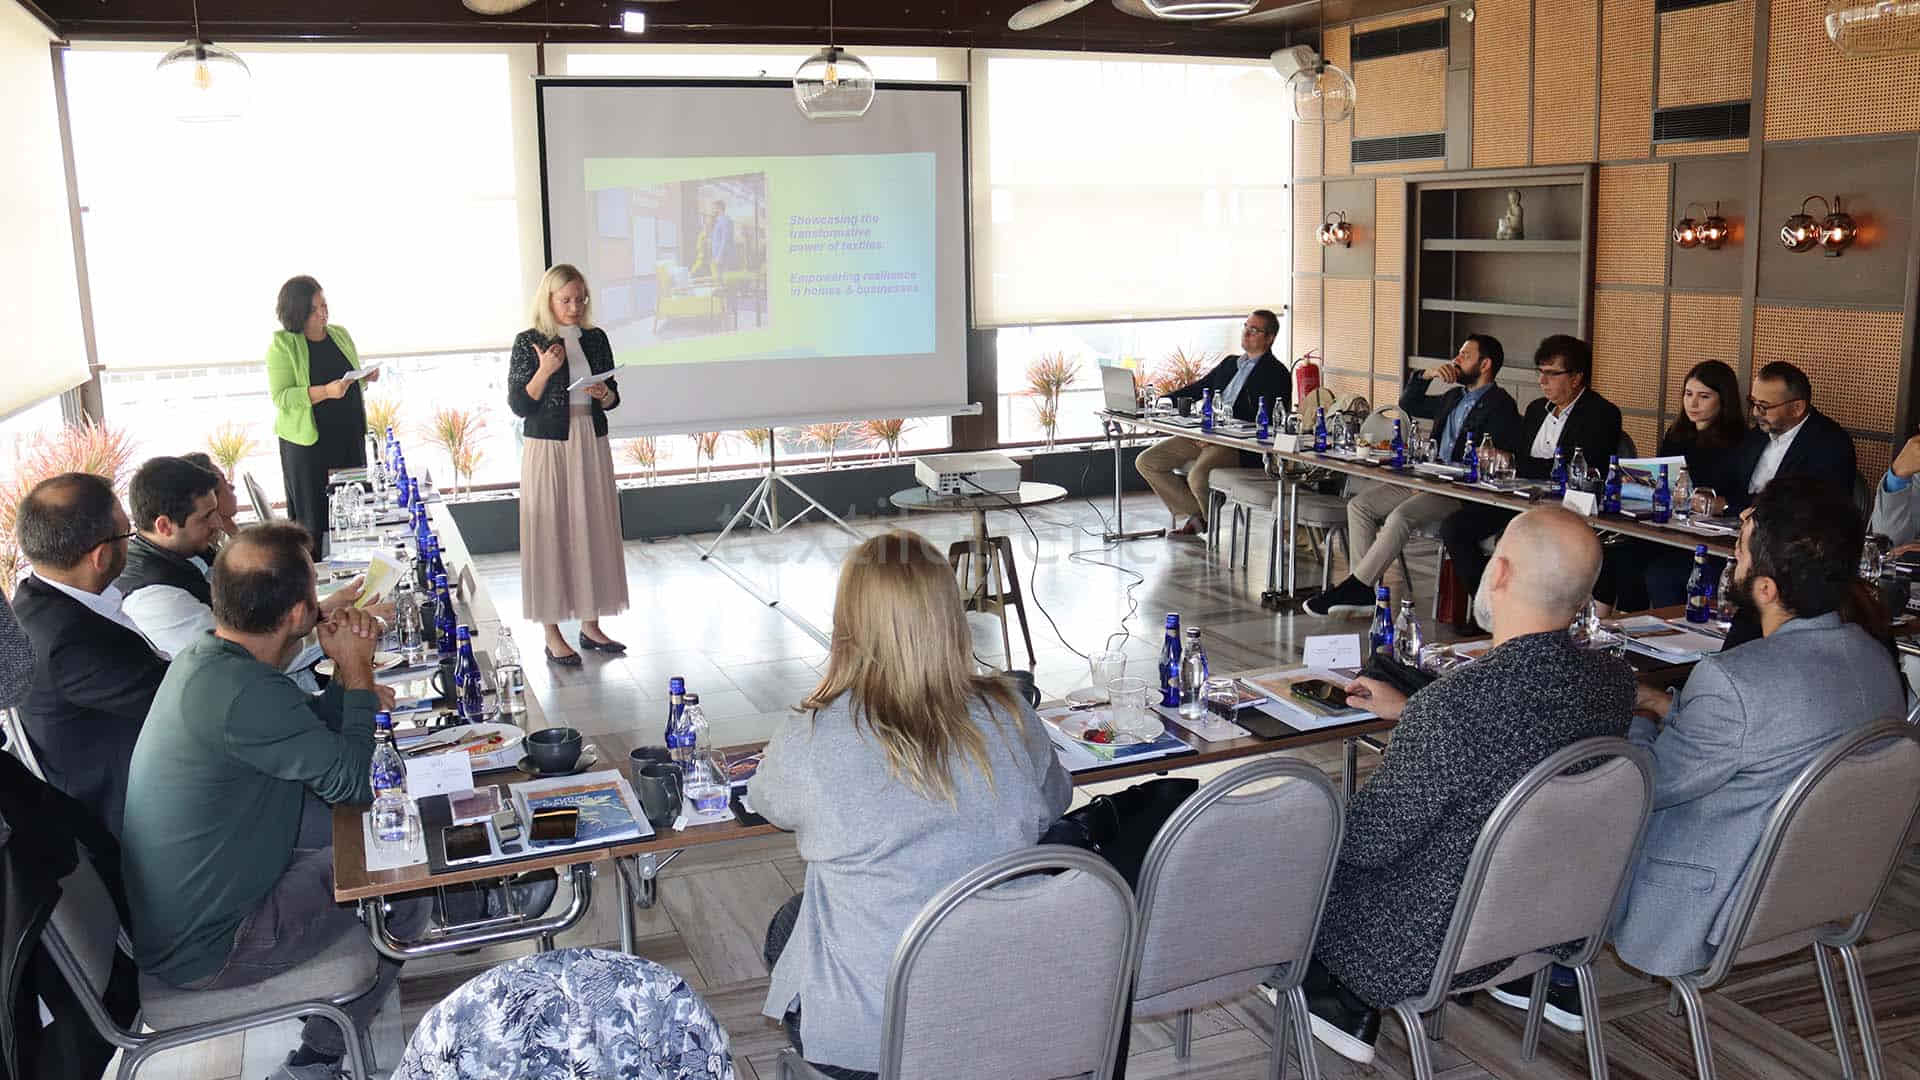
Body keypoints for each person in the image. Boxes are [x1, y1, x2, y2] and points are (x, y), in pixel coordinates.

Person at [1299, 507, 1634, 1064]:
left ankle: (1340, 994)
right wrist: (1416, 713)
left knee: (1301, 842)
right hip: (1543, 921)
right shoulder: (1613, 684)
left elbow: (1366, 842)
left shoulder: (1458, 707)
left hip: (1426, 945)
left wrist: (1310, 818)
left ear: (1497, 572)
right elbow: (1518, 745)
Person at [752, 530, 1072, 1080]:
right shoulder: (1012, 713)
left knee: (790, 920)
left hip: (873, 1041)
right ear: (951, 617)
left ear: (848, 627)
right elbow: (1054, 802)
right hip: (1005, 1009)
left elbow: (767, 801)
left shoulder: (813, 735)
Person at [120, 523, 430, 1080]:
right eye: (313, 590)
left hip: (207, 907)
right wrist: (356, 671)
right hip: (216, 947)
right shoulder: (241, 693)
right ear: (295, 612)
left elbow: (313, 738)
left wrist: (342, 679)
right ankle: (315, 1061)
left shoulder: (212, 660)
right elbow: (356, 783)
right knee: (399, 885)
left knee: (372, 844)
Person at [1612, 476, 1902, 978]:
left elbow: (1650, 784)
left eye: (1741, 554)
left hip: (1715, 908)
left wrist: (1636, 717)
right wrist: (1671, 705)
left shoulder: (1731, 681)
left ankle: (1551, 976)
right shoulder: (1875, 659)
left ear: (1766, 589)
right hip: (1820, 890)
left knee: (1562, 814)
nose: (1734, 562)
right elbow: (1766, 739)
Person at [1307, 334, 1521, 615]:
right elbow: (1408, 404)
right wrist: (1426, 375)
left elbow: (1497, 458)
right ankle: (1364, 591)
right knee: (1360, 506)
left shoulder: (1501, 405)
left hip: (1459, 490)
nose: (1456, 360)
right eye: (1458, 354)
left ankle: (1357, 587)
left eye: (1465, 356)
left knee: (1400, 517)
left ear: (1485, 365)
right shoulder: (1454, 396)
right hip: (1427, 476)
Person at [10, 473, 167, 838]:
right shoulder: (70, 642)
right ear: (101, 556)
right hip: (140, 823)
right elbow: (184, 697)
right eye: (128, 535)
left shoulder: (33, 601)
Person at [1438, 335, 1623, 626]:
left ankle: (1524, 617)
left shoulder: (1601, 414)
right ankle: (1493, 612)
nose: (1542, 381)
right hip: (1520, 499)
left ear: (1576, 378)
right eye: (1540, 372)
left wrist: (1514, 461)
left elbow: (1576, 468)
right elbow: (1520, 455)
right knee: (1454, 527)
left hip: (1565, 509)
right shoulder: (1537, 409)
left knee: (1515, 538)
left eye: (1552, 373)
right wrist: (1500, 458)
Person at [507, 264, 630, 666]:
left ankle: (591, 625)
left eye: (580, 299)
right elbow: (520, 405)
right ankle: (552, 632)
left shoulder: (596, 339)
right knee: (552, 533)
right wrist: (544, 371)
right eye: (566, 300)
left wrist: (603, 394)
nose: (575, 306)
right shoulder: (529, 342)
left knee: (592, 528)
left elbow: (613, 398)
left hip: (590, 442)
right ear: (549, 300)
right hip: (549, 447)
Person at [1597, 360, 1749, 612]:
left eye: (1704, 396)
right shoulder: (1677, 433)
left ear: (1724, 400)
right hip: (1666, 523)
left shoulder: (1739, 442)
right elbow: (1663, 477)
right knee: (1617, 552)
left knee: (1649, 566)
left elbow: (1735, 494)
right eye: (1688, 394)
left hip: (1703, 531)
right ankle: (1614, 623)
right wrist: (1638, 480)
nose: (1693, 403)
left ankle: (1635, 623)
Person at [1135, 310, 1293, 535]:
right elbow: (1199, 388)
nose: (1246, 333)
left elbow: (1264, 420)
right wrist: (1162, 400)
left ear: (1269, 338)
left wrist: (1219, 434)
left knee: (1198, 477)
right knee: (1147, 461)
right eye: (1245, 327)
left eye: (1254, 330)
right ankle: (1200, 514)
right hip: (1203, 434)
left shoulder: (1276, 373)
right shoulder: (1230, 364)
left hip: (1236, 444)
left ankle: (1209, 525)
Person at [266, 275, 379, 551]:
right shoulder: (283, 345)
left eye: (324, 304)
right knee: (315, 520)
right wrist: (326, 392)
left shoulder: (339, 334)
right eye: (315, 308)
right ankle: (315, 580)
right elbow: (282, 397)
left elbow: (346, 380)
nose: (323, 312)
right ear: (298, 312)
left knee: (354, 511)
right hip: (309, 446)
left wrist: (364, 377)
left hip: (349, 436)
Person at [115, 456, 226, 658]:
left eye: (216, 511)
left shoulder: (190, 554)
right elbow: (227, 656)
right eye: (206, 517)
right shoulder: (154, 598)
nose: (218, 523)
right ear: (164, 526)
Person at [1725, 360, 1856, 516]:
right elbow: (1733, 487)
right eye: (1752, 403)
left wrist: (1732, 509)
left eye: (1764, 406)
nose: (1755, 412)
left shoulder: (1831, 445)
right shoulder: (1757, 435)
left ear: (1796, 408)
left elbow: (1814, 511)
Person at [181, 450, 241, 546]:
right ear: (212, 496)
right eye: (225, 482)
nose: (232, 487)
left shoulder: (228, 536)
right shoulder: (217, 548)